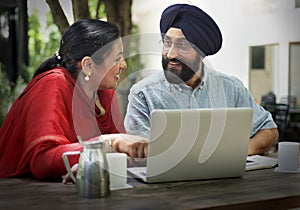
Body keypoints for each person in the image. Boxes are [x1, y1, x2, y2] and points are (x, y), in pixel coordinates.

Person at [0, 19, 147, 181]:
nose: (124, 65)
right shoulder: (52, 84)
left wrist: (90, 163)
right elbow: (42, 161)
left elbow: (119, 152)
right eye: (117, 58)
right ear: (88, 65)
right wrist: (107, 143)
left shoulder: (105, 91)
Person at [124, 4, 278, 155]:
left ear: (202, 52)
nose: (171, 54)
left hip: (227, 178)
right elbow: (138, 150)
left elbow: (268, 130)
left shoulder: (232, 88)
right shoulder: (143, 93)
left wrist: (242, 150)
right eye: (167, 42)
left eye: (182, 45)